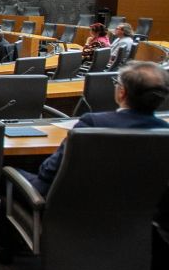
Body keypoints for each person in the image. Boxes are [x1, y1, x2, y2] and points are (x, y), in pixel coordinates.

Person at [17, 61, 169, 196]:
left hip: (71, 206)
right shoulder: (164, 131)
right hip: (135, 216)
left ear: (122, 92)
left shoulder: (93, 123)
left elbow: (48, 171)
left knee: (4, 171)